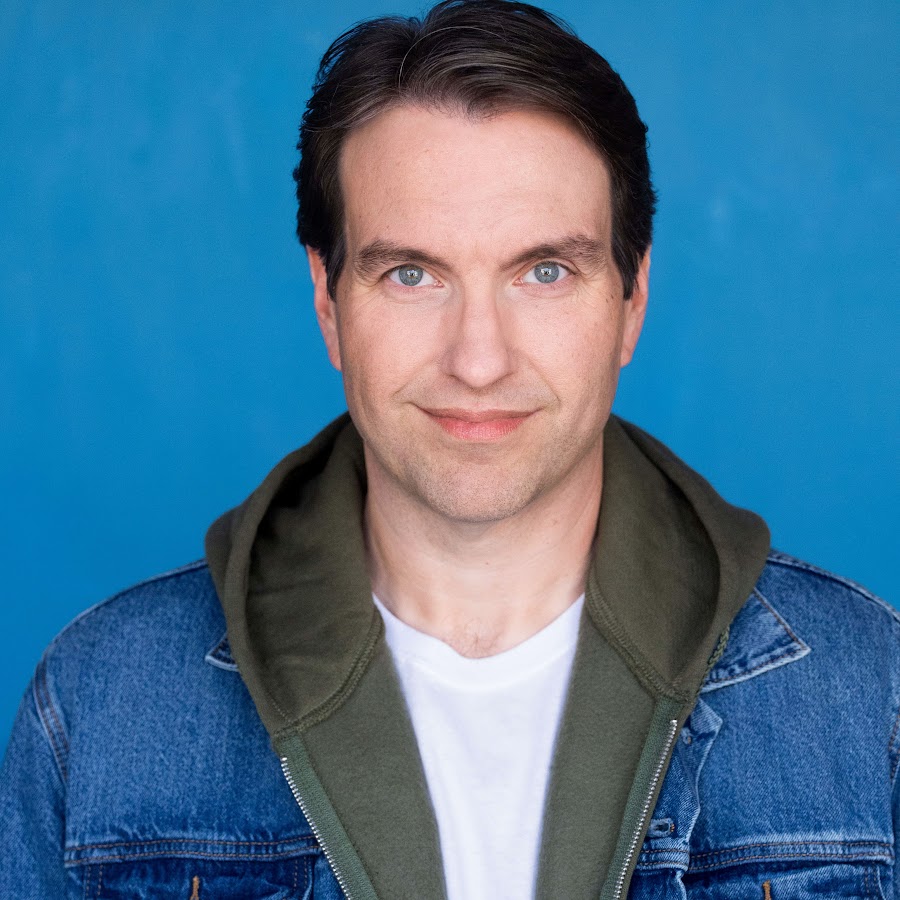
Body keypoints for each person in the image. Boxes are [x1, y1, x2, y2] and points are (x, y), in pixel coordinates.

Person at [2, 0, 897, 897]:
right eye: (411, 274)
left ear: (632, 299)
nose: (478, 360)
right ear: (328, 303)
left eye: (544, 271)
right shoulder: (99, 704)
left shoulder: (868, 692)